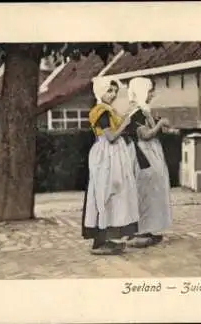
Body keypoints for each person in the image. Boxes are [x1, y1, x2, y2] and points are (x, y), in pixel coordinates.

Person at [81, 78, 140, 255]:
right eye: (109, 91)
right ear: (100, 92)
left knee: (115, 195)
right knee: (105, 193)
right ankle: (100, 240)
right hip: (106, 155)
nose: (113, 94)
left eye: (114, 91)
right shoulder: (101, 112)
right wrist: (124, 124)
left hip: (114, 155)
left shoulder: (109, 111)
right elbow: (111, 137)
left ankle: (109, 237)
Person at [124, 77, 178, 248]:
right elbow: (145, 135)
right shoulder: (136, 113)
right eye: (149, 91)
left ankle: (147, 228)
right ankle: (138, 231)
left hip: (150, 154)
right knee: (144, 191)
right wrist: (160, 123)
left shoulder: (144, 111)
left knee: (152, 191)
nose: (152, 94)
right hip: (142, 156)